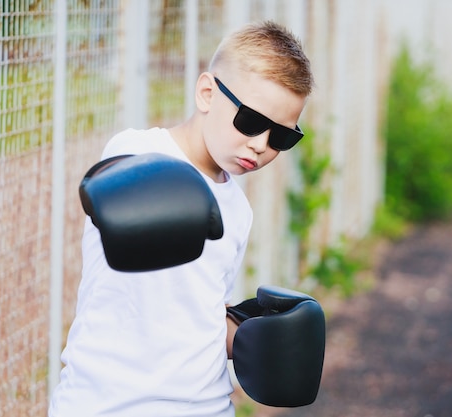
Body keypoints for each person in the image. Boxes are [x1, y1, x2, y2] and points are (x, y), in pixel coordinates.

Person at [48, 20, 314, 417]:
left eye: (281, 137)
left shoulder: (238, 210)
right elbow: (110, 189)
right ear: (208, 93)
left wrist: (252, 337)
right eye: (252, 121)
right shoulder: (137, 151)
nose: (260, 145)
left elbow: (196, 310)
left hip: (206, 407)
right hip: (107, 405)